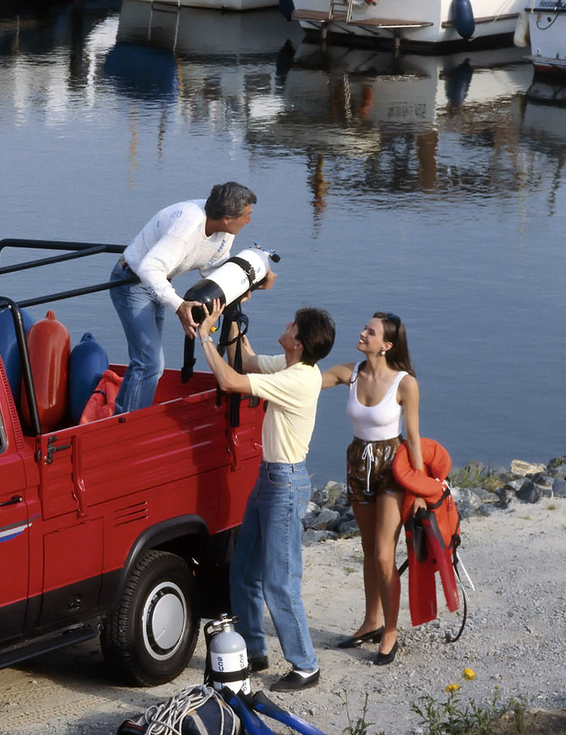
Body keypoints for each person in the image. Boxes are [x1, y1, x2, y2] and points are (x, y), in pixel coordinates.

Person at [196, 300, 335, 692]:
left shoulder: (299, 379)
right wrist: (232, 314)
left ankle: (305, 664)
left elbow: (230, 381)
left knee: (280, 580)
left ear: (299, 343)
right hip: (270, 478)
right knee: (243, 571)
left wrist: (203, 337)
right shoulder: (290, 365)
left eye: (293, 326)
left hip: (285, 484)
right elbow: (243, 361)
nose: (286, 324)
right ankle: (254, 650)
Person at [108, 182, 274, 413]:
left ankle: (121, 416)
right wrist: (179, 306)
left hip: (158, 283)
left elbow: (213, 266)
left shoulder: (224, 231)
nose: (249, 221)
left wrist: (251, 281)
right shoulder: (186, 227)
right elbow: (149, 268)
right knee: (149, 363)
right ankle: (126, 425)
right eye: (246, 216)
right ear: (227, 218)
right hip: (132, 282)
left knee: (145, 362)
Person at [322, 313, 423, 666]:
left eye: (371, 332)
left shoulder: (405, 384)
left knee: (383, 555)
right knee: (368, 550)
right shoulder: (350, 373)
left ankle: (390, 630)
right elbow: (305, 381)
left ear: (387, 345)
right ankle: (371, 621)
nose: (362, 333)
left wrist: (421, 490)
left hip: (391, 469)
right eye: (365, 329)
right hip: (358, 465)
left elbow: (413, 439)